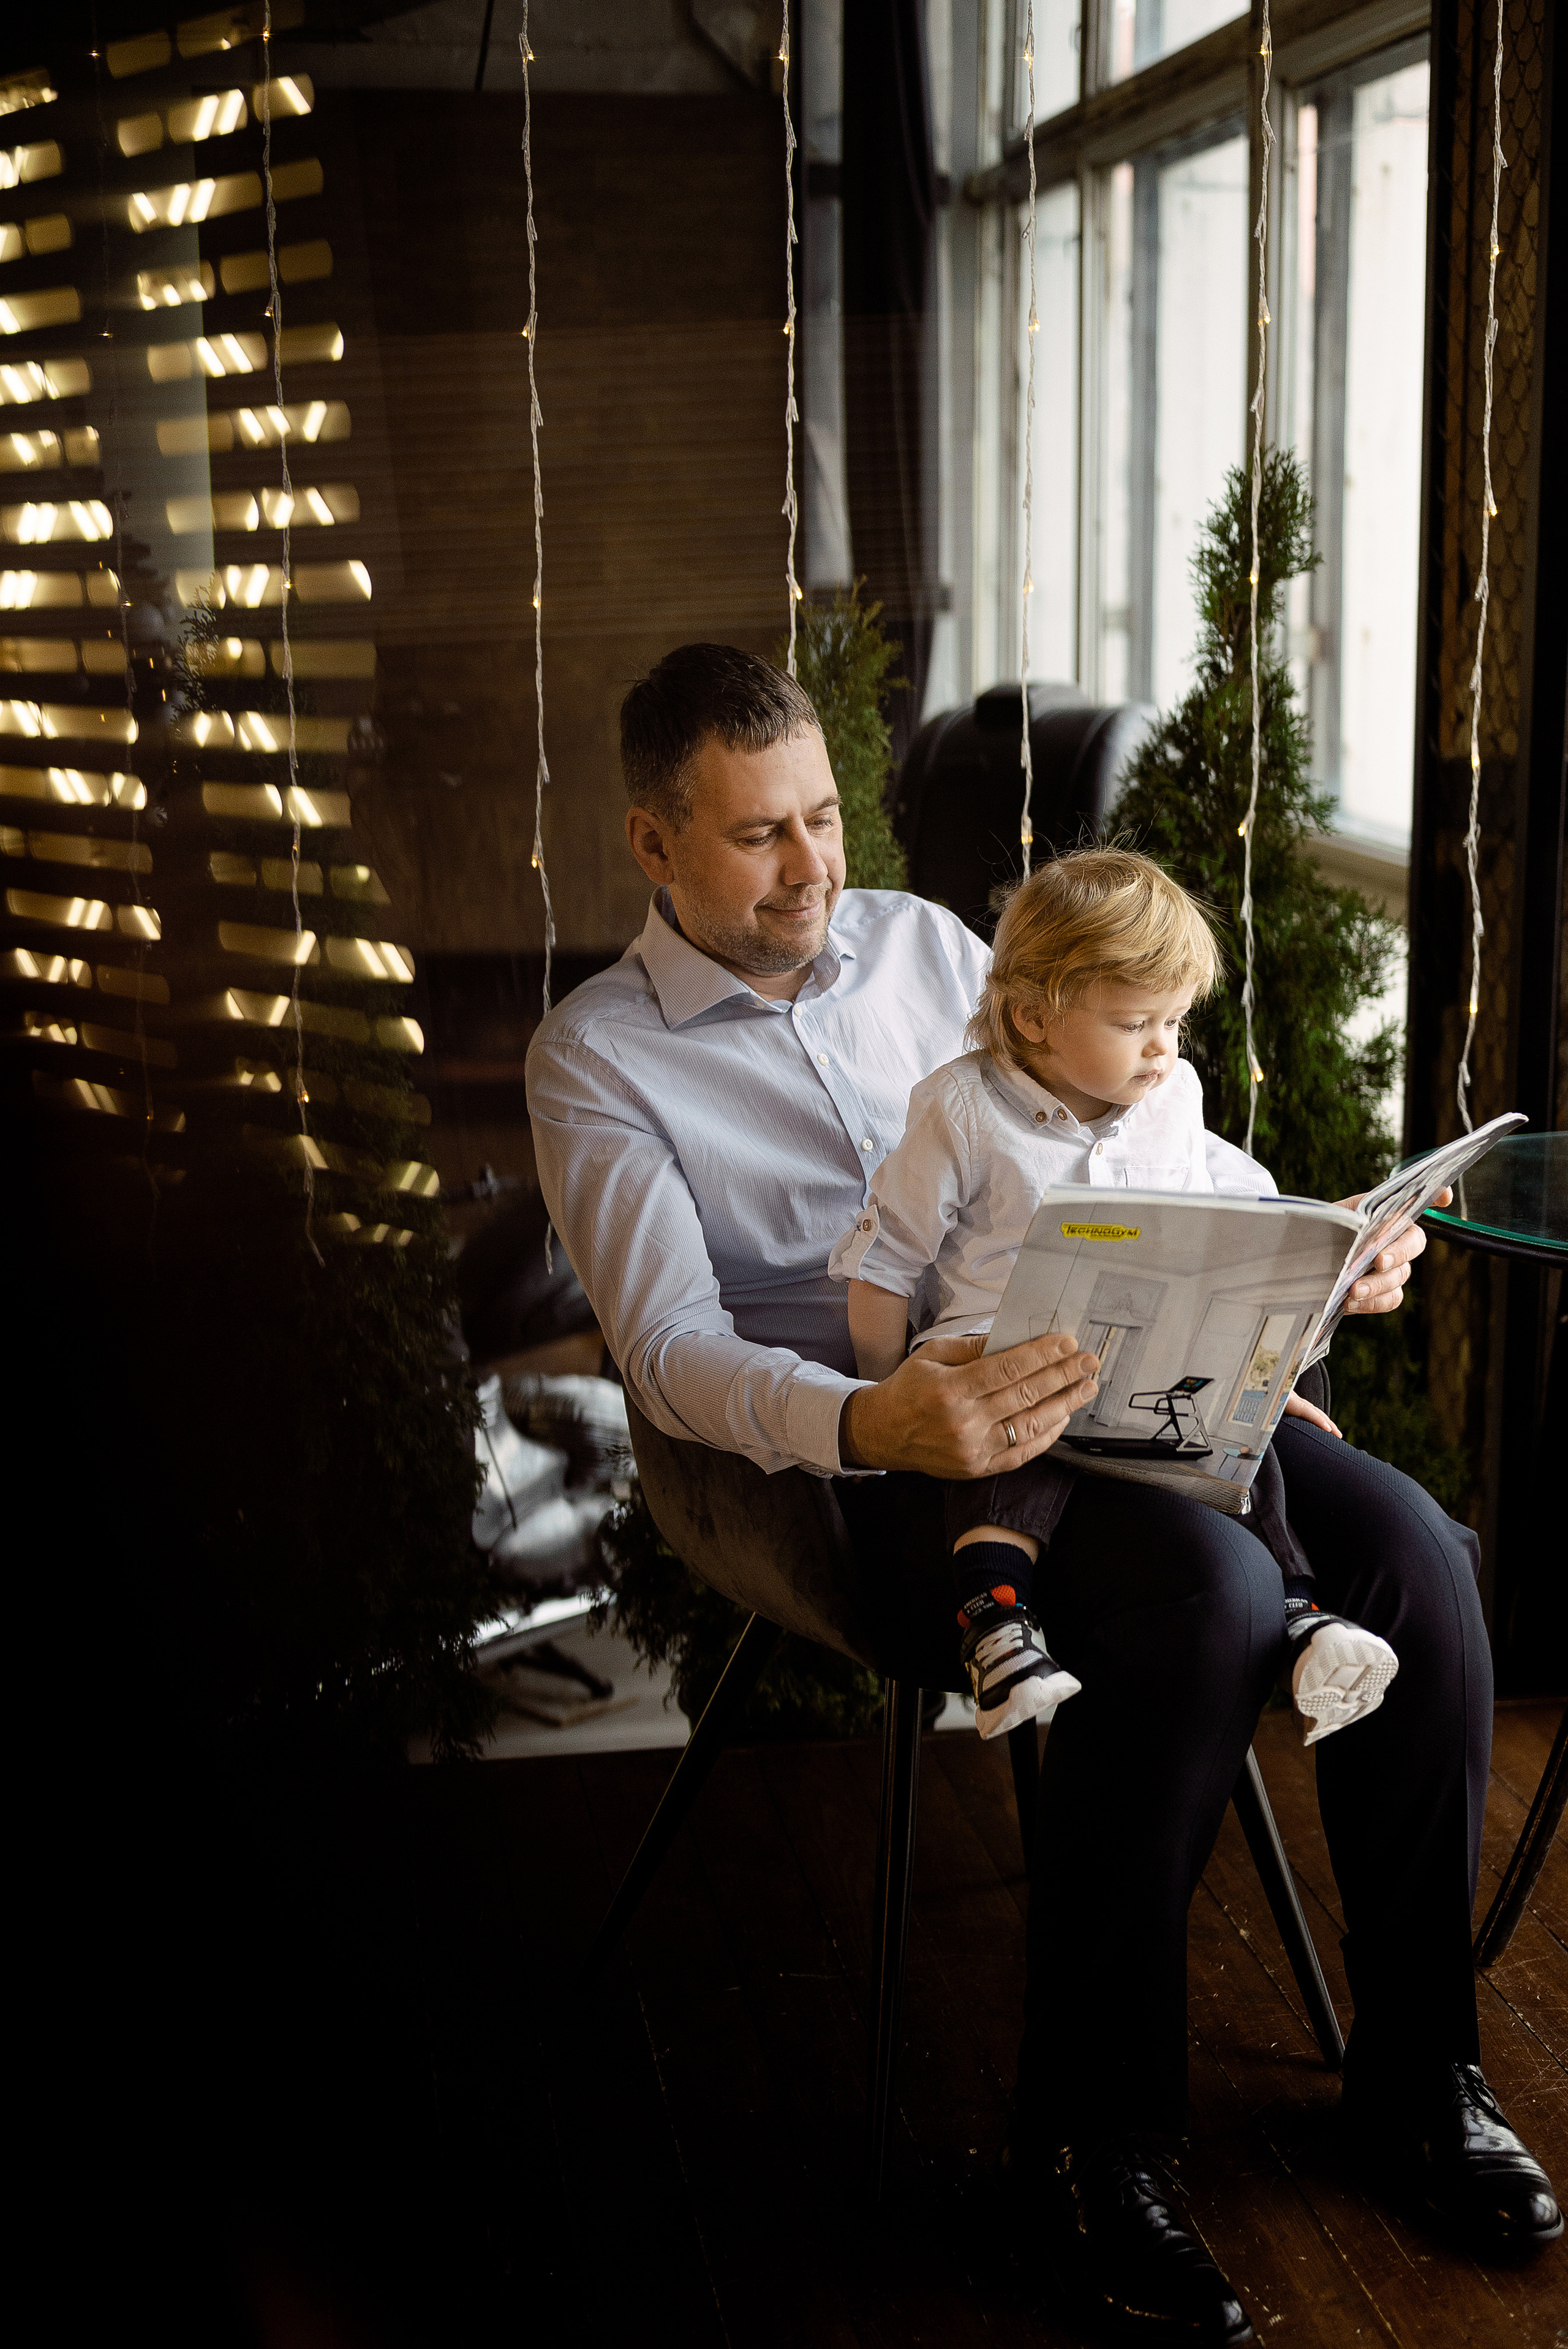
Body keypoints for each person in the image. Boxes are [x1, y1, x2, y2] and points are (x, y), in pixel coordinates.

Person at [526, 643, 1561, 2343]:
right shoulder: (600, 1059)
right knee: (1215, 1600)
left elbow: (1128, 1148)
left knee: (1416, 1551)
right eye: (757, 837)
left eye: (824, 818)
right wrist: (882, 1422)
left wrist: (1310, 1273)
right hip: (872, 1460)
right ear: (653, 844)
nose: (813, 866)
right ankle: (1096, 2149)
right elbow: (669, 1355)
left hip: (1123, 1368)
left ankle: (1418, 2079)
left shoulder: (936, 949)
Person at [829, 846, 1398, 1751]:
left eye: (1175, 1019)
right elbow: (885, 1260)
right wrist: (889, 1393)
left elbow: (1214, 1227)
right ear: (1033, 1016)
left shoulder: (1174, 1095)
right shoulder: (962, 1108)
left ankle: (1302, 1616)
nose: (1165, 1046)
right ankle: (997, 1629)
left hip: (1152, 1351)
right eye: (1137, 1021)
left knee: (1238, 1440)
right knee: (1022, 1435)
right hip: (1004, 1357)